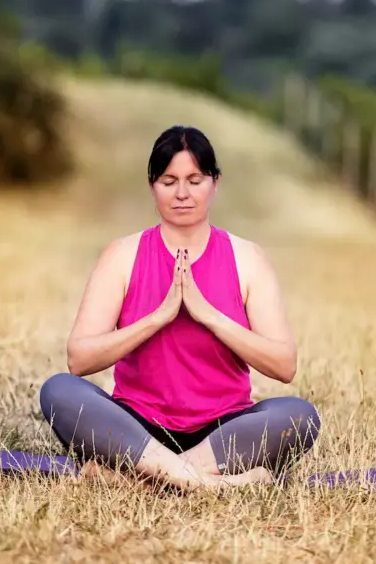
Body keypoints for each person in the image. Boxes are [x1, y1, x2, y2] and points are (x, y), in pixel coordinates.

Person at [38, 125, 321, 491]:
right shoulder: (122, 255)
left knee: (300, 416)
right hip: (137, 427)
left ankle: (141, 478)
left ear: (215, 183)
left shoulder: (247, 258)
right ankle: (207, 483)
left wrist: (209, 316)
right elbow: (79, 359)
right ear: (152, 185)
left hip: (222, 431)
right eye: (169, 181)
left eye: (195, 179)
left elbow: (284, 365)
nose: (183, 193)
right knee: (59, 390)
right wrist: (158, 317)